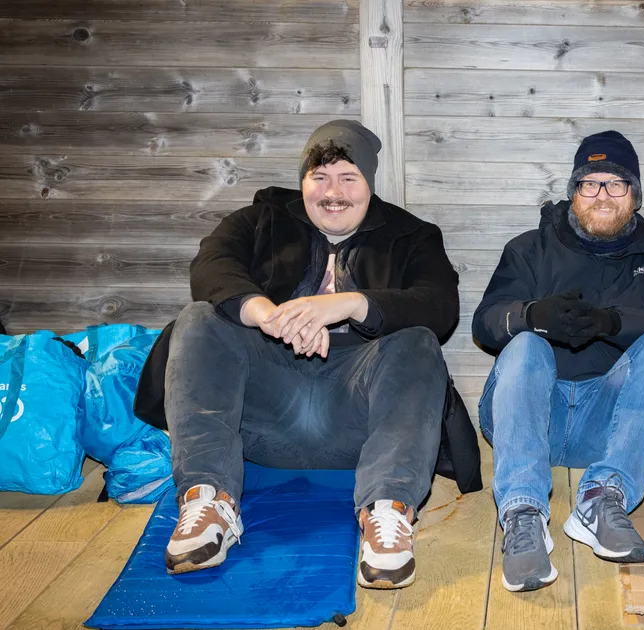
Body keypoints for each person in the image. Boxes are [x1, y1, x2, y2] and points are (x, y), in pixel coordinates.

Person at [149, 119, 471, 589]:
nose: (333, 193)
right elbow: (212, 266)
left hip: (357, 418)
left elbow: (439, 304)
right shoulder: (258, 220)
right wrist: (267, 315)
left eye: (348, 178)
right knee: (199, 318)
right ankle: (208, 501)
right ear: (302, 181)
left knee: (418, 340)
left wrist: (350, 303)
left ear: (370, 183)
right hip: (266, 412)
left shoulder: (412, 236)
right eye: (319, 177)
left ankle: (387, 511)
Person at [473, 131, 644, 592]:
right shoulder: (528, 249)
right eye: (590, 183)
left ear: (634, 195)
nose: (602, 195)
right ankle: (522, 512)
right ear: (574, 191)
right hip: (531, 418)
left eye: (616, 184)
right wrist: (533, 316)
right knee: (526, 344)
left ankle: (601, 497)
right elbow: (485, 324)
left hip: (604, 427)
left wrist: (610, 322)